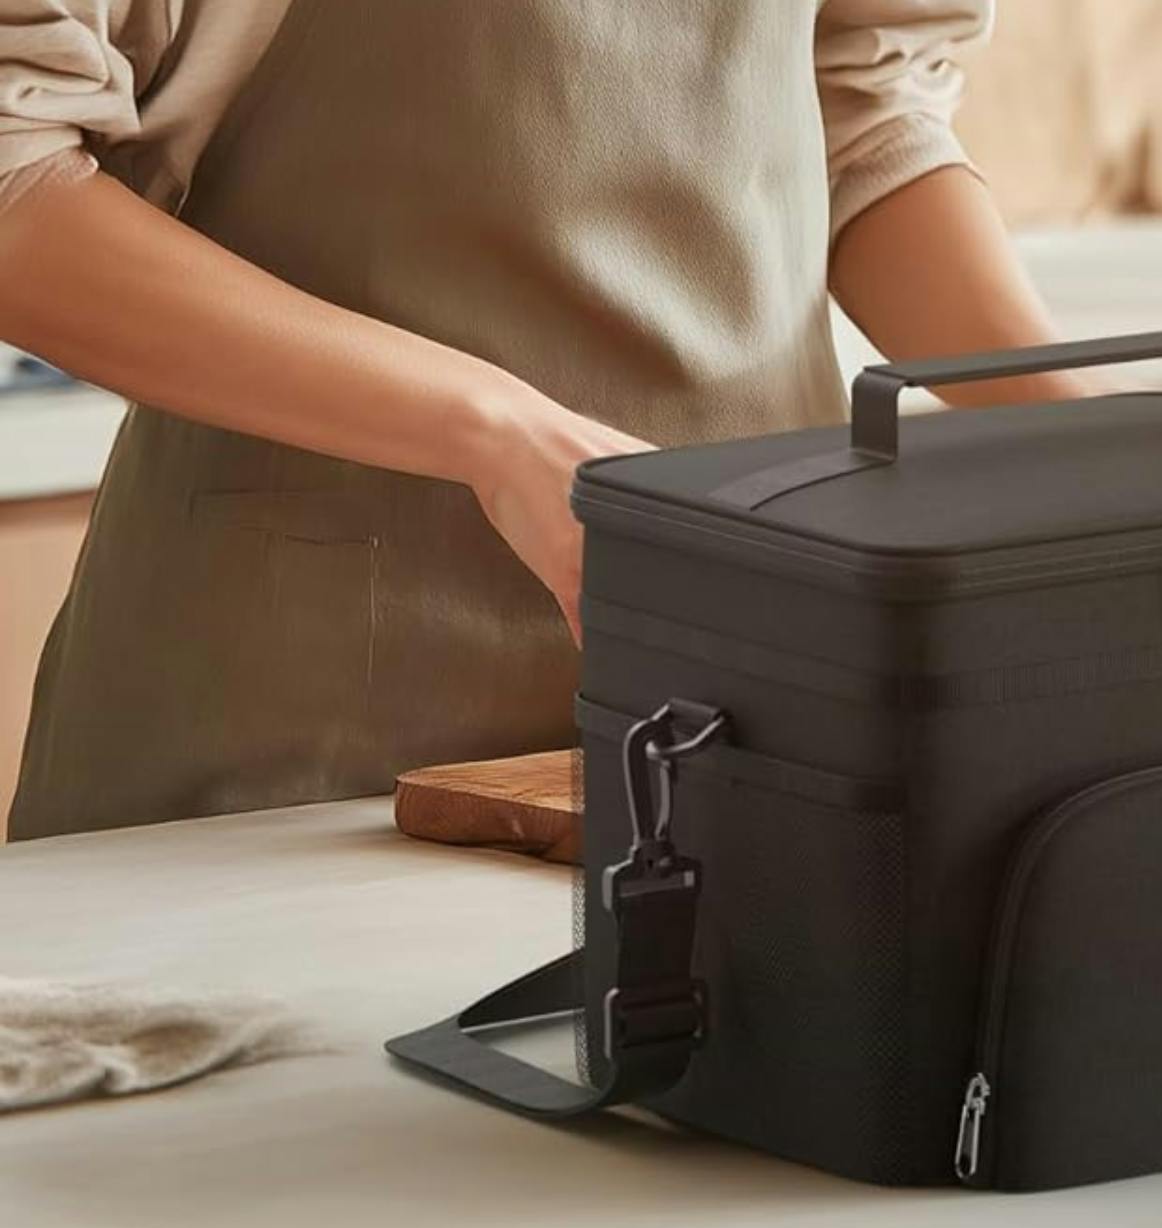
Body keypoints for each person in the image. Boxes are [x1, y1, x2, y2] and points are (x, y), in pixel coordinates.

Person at [0, 0, 1081, 839]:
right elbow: (18, 174)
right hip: (304, 727)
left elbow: (860, 111)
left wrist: (1096, 443)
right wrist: (499, 432)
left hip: (754, 696)